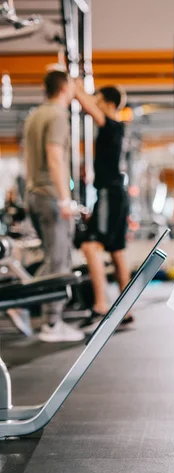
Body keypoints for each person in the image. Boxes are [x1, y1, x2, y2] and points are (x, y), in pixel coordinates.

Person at [24, 70, 85, 342]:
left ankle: (28, 306)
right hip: (50, 196)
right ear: (64, 88)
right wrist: (64, 198)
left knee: (51, 258)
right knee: (59, 260)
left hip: (35, 194)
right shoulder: (58, 115)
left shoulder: (35, 115)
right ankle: (51, 323)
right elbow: (55, 157)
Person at [74, 83, 133, 330]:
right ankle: (126, 310)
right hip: (116, 194)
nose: (95, 104)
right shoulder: (117, 129)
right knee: (116, 251)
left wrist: (73, 84)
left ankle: (101, 304)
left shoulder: (110, 125)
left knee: (89, 246)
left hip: (110, 194)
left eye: (98, 100)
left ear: (108, 103)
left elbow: (87, 105)